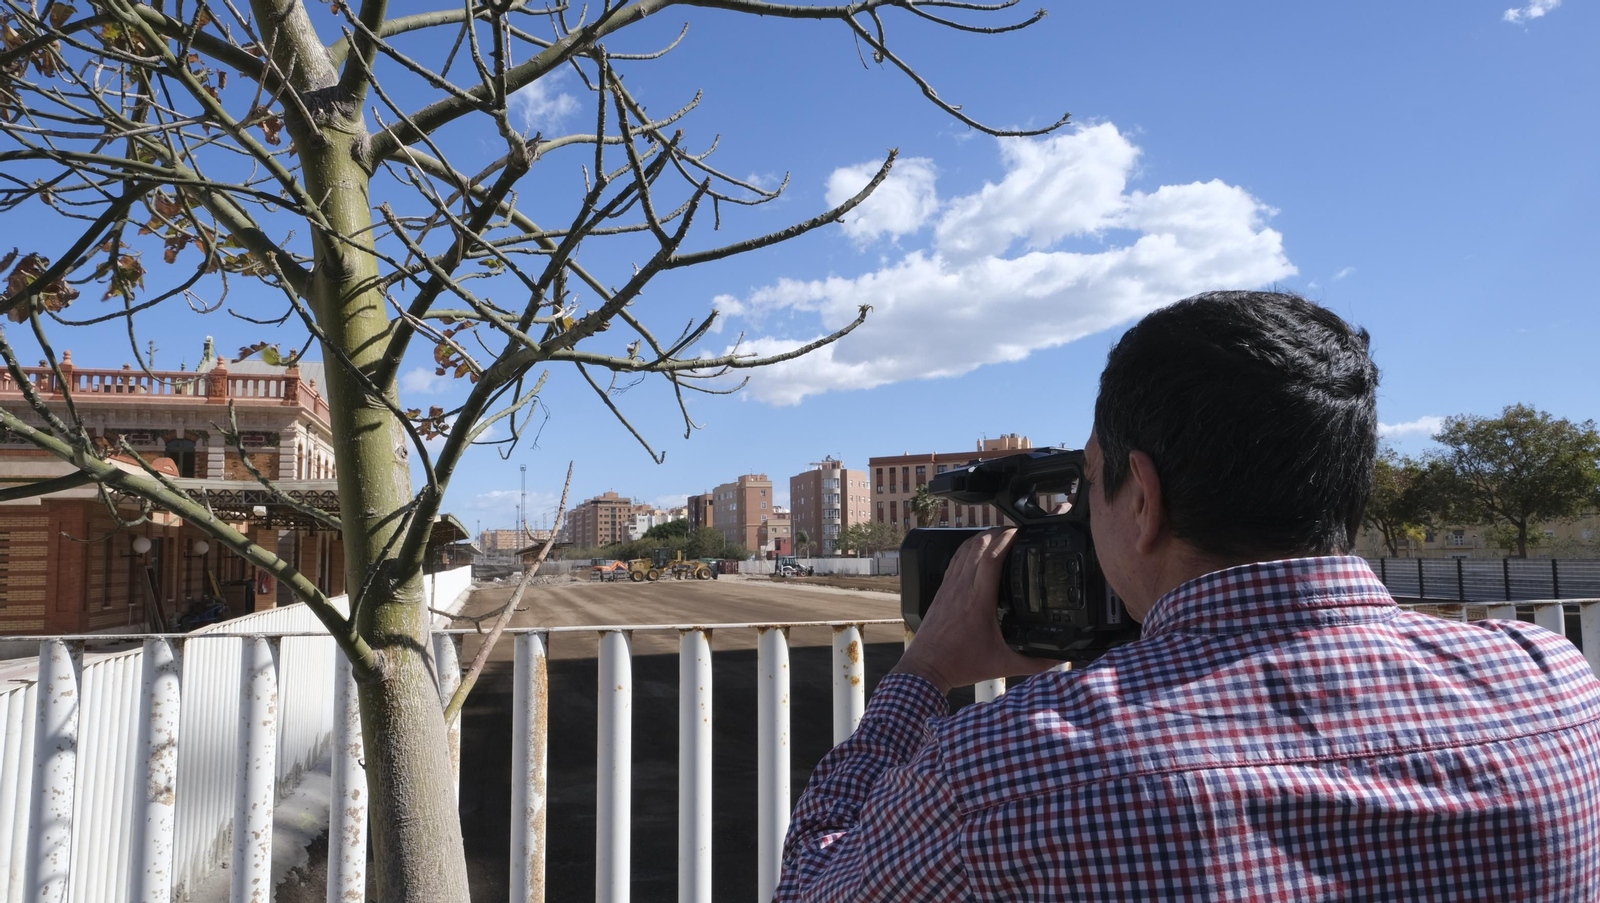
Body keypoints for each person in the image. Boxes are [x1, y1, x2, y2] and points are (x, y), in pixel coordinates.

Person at [773, 292, 1600, 901]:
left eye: (1088, 482)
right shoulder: (1556, 685)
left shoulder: (998, 772)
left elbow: (812, 885)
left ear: (1143, 495)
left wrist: (921, 673)